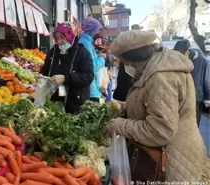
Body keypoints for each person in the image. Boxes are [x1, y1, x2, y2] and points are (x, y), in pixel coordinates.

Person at [104, 30, 209, 182]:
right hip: (170, 153)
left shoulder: (160, 77)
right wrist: (125, 107)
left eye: (124, 61)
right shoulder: (155, 66)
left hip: (172, 161)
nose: (125, 66)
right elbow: (154, 104)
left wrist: (120, 125)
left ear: (133, 58)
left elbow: (160, 131)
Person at [40, 23, 94, 113]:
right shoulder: (53, 52)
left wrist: (65, 78)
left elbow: (88, 77)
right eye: (57, 38)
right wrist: (41, 77)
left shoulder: (82, 53)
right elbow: (46, 70)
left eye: (62, 37)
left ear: (70, 36)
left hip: (75, 103)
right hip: (56, 101)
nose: (59, 41)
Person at [173, 39, 210, 127]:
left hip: (196, 98)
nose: (180, 56)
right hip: (180, 97)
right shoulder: (177, 60)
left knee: (194, 123)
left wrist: (207, 98)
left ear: (188, 51)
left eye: (182, 53)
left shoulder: (202, 61)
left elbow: (207, 80)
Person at [78, 17, 105, 102]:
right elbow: (91, 66)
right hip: (91, 90)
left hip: (93, 88)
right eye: (97, 30)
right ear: (92, 30)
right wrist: (102, 59)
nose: (98, 32)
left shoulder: (87, 42)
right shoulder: (85, 43)